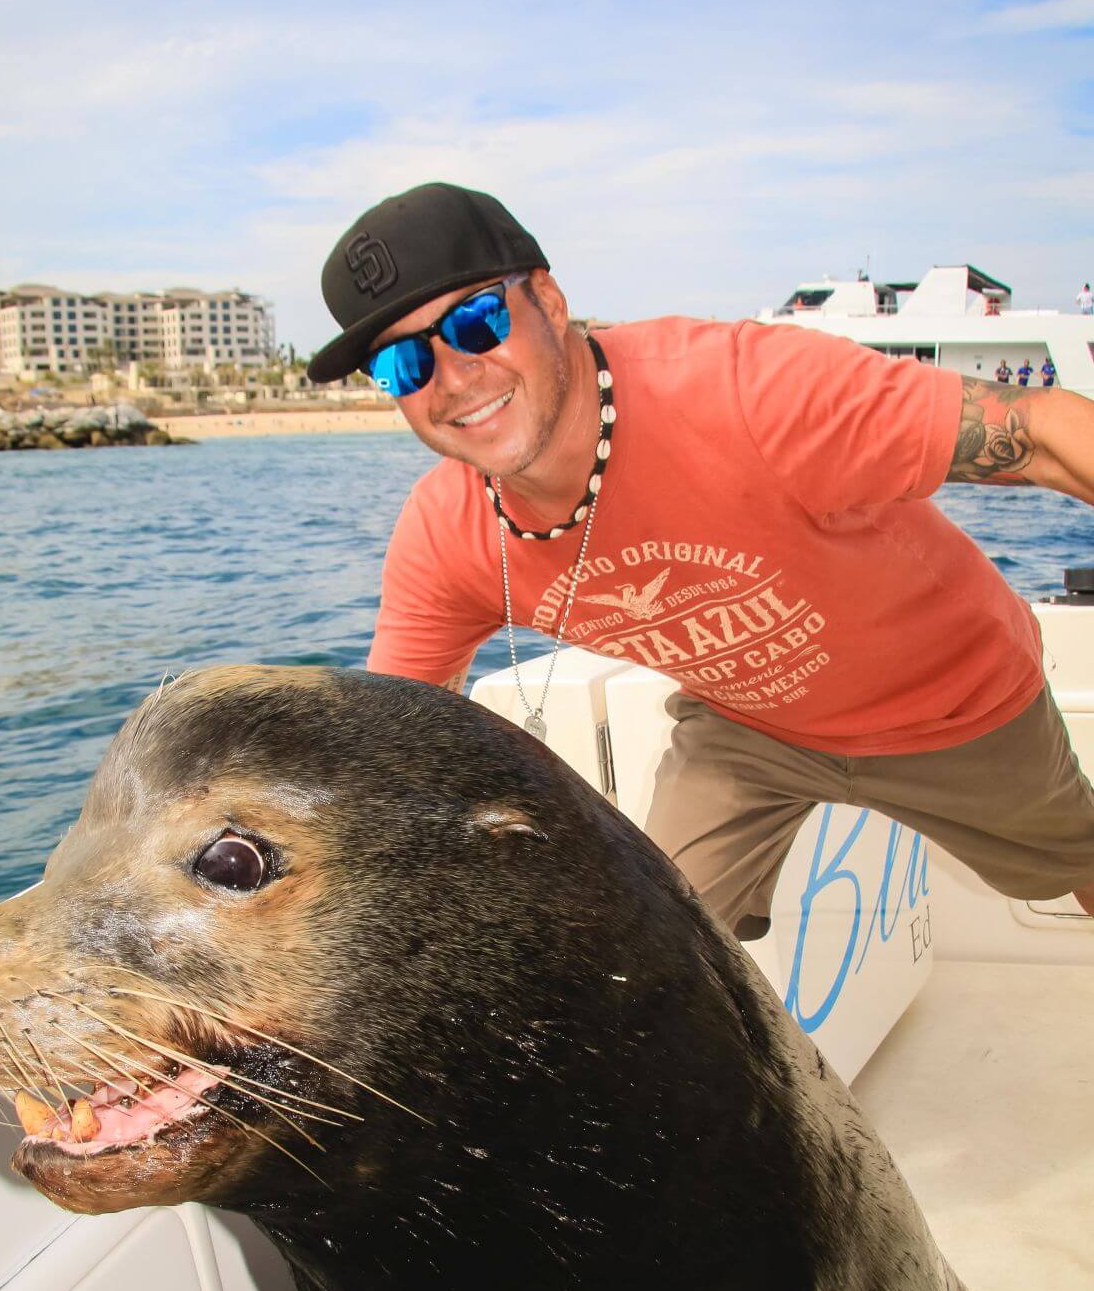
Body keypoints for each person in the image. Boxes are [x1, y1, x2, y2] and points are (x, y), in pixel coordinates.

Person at [308, 183, 1094, 933]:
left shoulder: (747, 391)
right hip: (748, 730)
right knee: (651, 952)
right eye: (403, 364)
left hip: (952, 701)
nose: (451, 375)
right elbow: (385, 746)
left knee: (1082, 859)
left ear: (547, 301)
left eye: (476, 322)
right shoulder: (446, 536)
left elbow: (1047, 431)